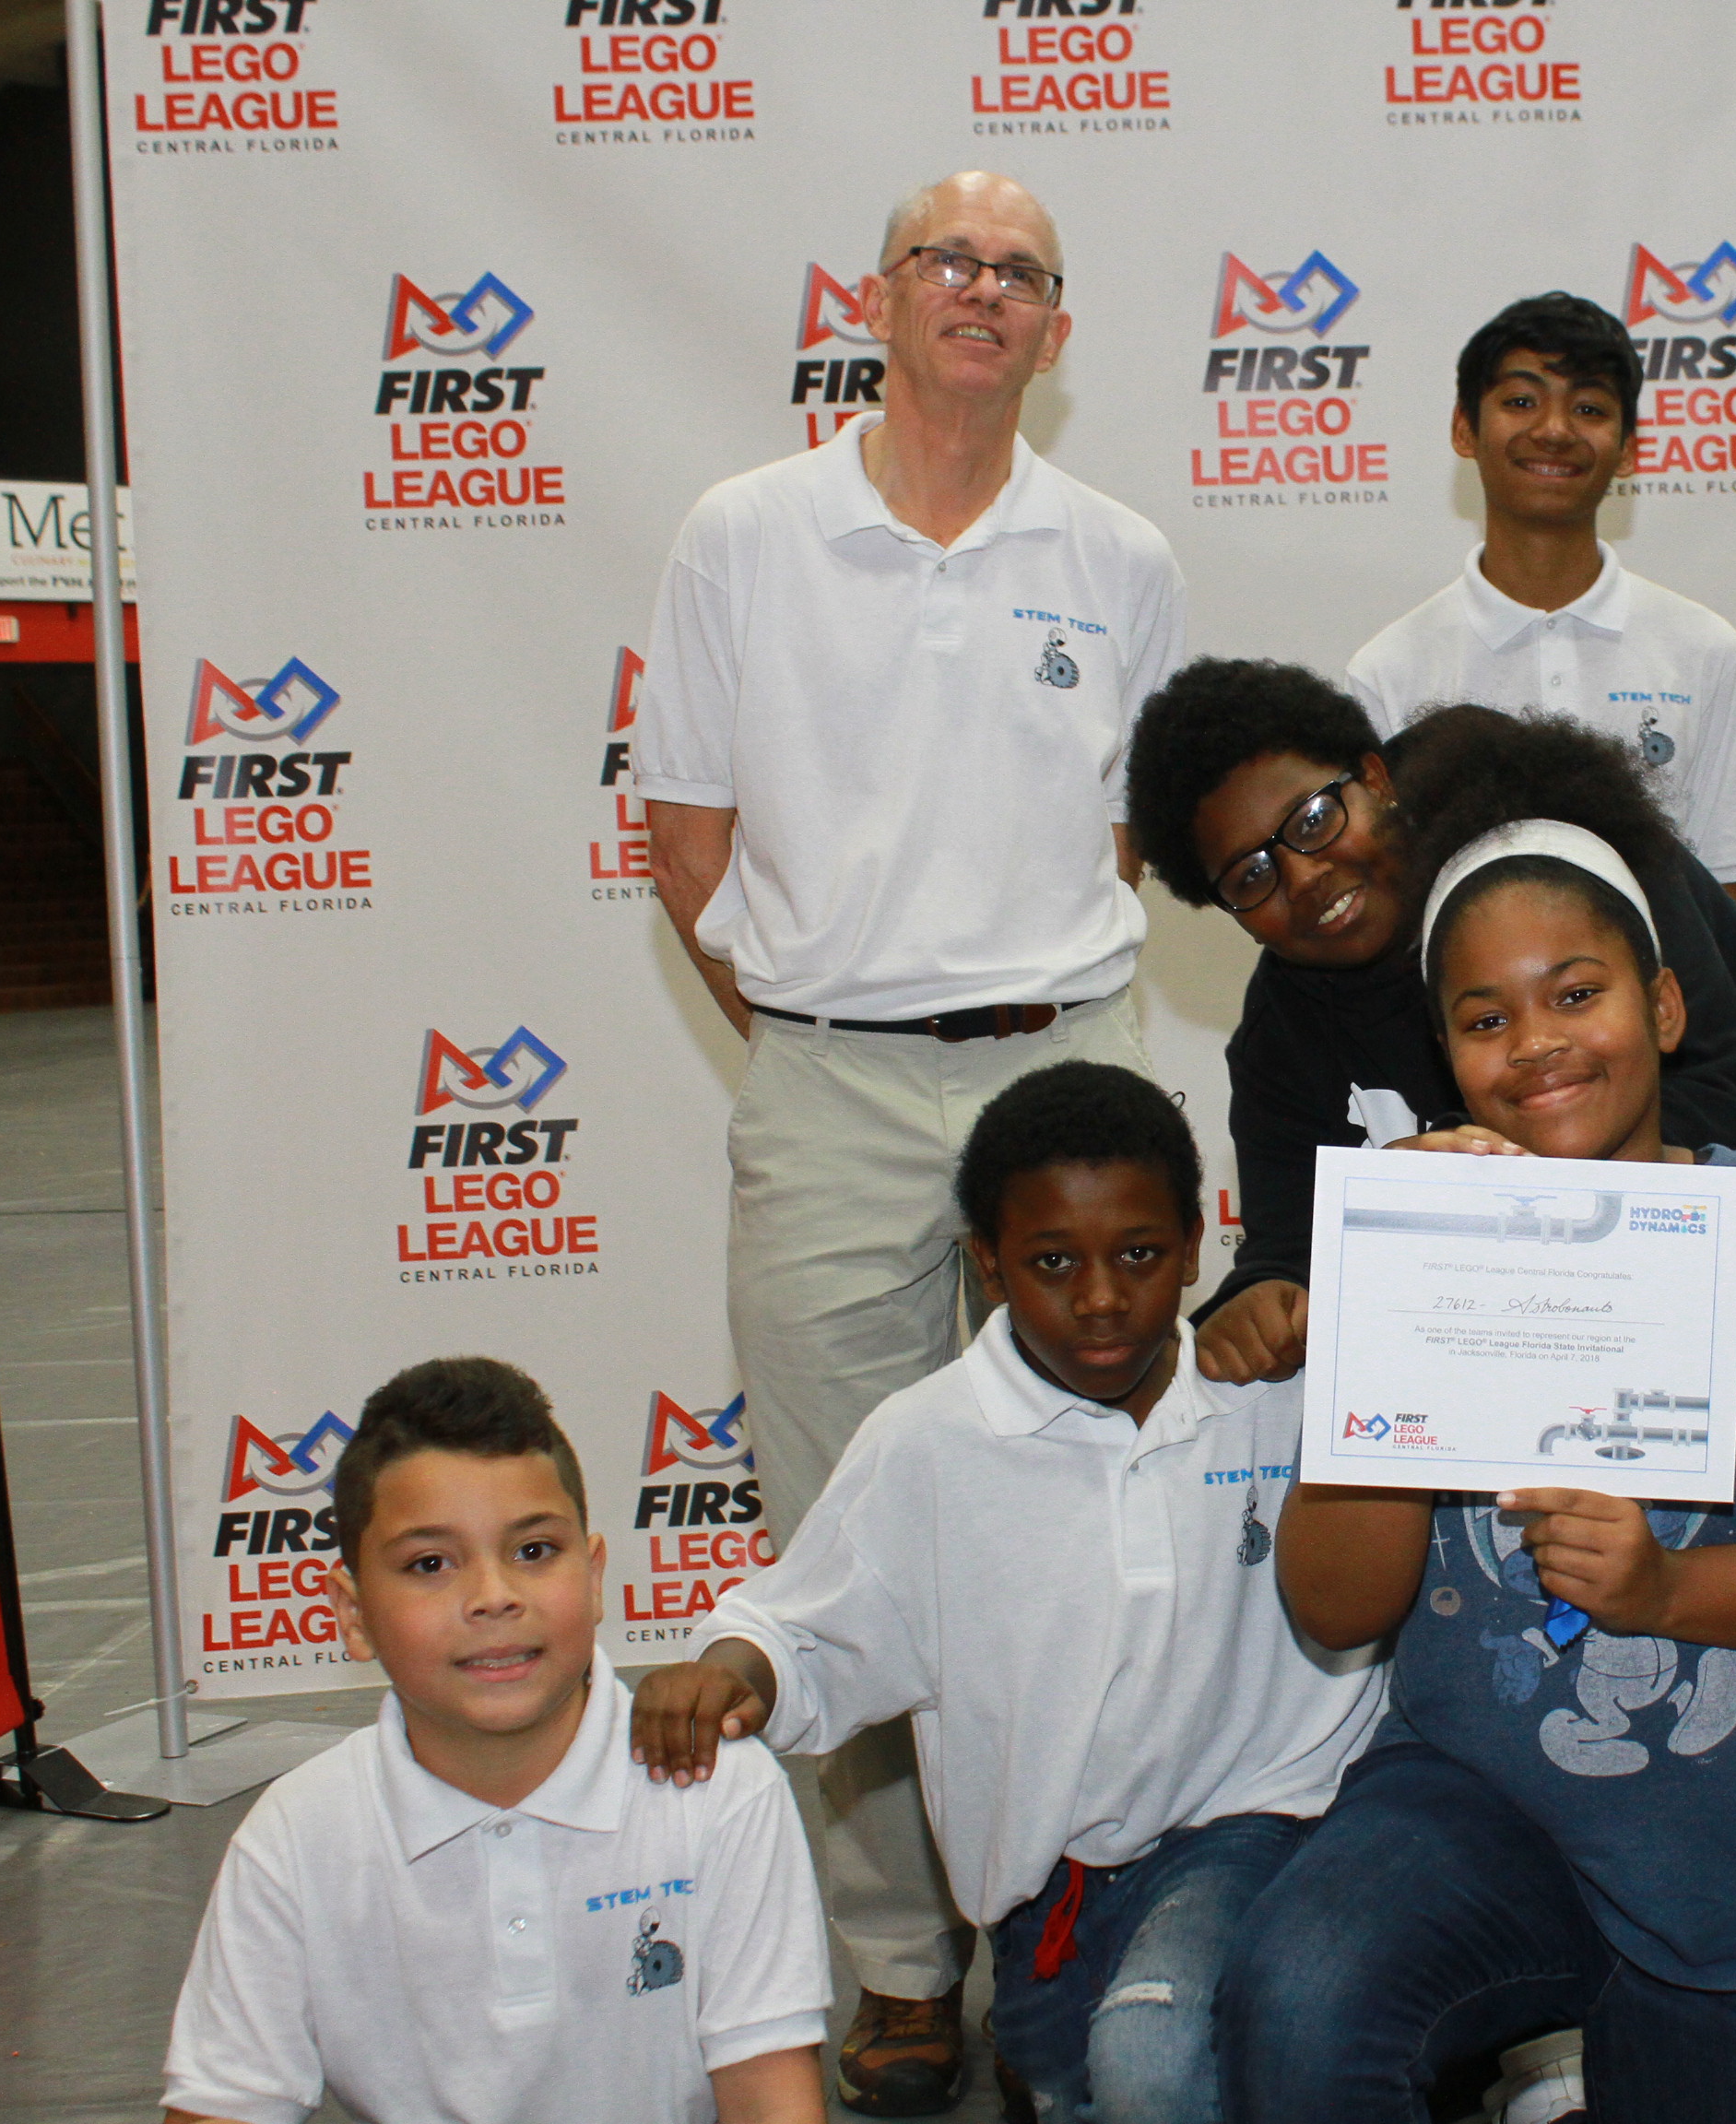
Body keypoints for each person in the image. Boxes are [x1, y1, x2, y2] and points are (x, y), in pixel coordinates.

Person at [632, 170, 1184, 2111]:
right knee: (843, 1531)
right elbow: (682, 834)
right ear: (876, 296)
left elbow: (1133, 831)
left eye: (1021, 271)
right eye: (948, 261)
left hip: (1067, 1074)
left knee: (1079, 1515)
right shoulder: (744, 534)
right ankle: (890, 1965)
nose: (982, 292)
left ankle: (1084, 1912)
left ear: (1056, 325)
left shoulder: (1116, 551)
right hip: (830, 1083)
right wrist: (803, 1034)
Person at [1220, 815, 1736, 2122]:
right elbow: (1336, 1609)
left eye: (1577, 994)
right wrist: (1402, 1292)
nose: (1539, 1045)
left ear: (1667, 1005)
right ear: (1448, 1057)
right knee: (1301, 2000)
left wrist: (1670, 1597)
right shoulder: (1416, 1232)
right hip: (1476, 1806)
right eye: (1486, 1020)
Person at [631, 1063, 1384, 2124]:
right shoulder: (932, 1440)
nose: (1103, 1297)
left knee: (1155, 2066)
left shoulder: (1266, 1386)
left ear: (1195, 1245)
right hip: (1050, 1893)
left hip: (1258, 1824)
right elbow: (801, 1627)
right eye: (1050, 1263)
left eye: (1138, 1254)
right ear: (987, 1265)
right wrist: (726, 1672)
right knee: (1081, 2085)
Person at [1123, 665, 1736, 1389]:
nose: (1303, 875)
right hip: (1603, 1275)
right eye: (1251, 877)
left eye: (1315, 820)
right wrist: (1266, 1299)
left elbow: (1723, 1099)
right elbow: (1293, 1242)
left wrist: (1474, 1191)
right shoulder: (1282, 1035)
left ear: (1376, 780)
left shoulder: (1541, 826)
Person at [163, 1360, 827, 2124]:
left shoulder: (718, 1789)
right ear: (350, 1614)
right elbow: (223, 2109)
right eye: (430, 1564)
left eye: (535, 1551)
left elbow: (770, 2098)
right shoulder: (296, 1837)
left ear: (596, 1572)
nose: (494, 1597)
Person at [1344, 291, 1736, 905]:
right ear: (1464, 428)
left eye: (1589, 407)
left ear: (1628, 449)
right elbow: (1388, 908)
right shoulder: (1389, 670)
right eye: (1521, 401)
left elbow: (1729, 899)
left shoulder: (1702, 650)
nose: (1553, 430)